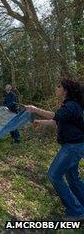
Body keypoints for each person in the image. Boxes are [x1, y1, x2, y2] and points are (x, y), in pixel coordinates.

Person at [25, 79, 84, 221]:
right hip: (74, 146)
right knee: (73, 178)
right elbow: (56, 121)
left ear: (65, 90)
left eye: (59, 86)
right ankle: (81, 206)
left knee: (54, 175)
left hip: (72, 147)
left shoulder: (72, 105)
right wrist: (39, 122)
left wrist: (35, 109)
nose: (56, 88)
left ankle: (76, 211)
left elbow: (55, 116)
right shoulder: (69, 105)